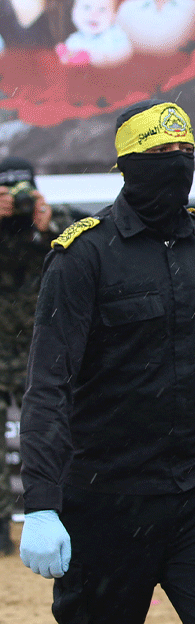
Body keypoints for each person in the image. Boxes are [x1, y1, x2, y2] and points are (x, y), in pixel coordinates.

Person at [18, 100, 195, 624]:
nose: (176, 165)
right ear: (127, 164)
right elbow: (49, 386)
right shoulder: (83, 256)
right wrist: (43, 502)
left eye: (185, 154)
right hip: (107, 500)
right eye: (160, 156)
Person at [0, 158, 79, 556]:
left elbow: (87, 253)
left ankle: (63, 512)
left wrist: (46, 225)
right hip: (1, 348)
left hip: (44, 349)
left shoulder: (59, 222)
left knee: (56, 431)